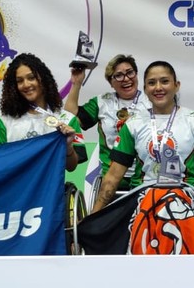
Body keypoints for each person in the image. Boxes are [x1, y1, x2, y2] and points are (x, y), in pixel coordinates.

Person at [91, 60, 194, 250]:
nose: (158, 87)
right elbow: (113, 175)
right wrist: (95, 215)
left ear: (176, 86)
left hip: (188, 193)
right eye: (152, 83)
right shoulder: (133, 124)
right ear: (145, 89)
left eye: (164, 81)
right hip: (144, 194)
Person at [65, 54, 152, 190]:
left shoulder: (152, 100)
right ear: (111, 82)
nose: (126, 79)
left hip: (145, 176)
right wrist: (76, 83)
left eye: (130, 72)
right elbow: (69, 118)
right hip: (111, 178)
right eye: (118, 75)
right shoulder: (102, 102)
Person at [0, 53, 85, 171]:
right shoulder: (3, 119)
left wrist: (68, 146)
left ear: (43, 79)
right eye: (19, 81)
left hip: (51, 188)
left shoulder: (66, 119)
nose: (26, 85)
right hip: (17, 188)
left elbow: (71, 167)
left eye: (31, 78)